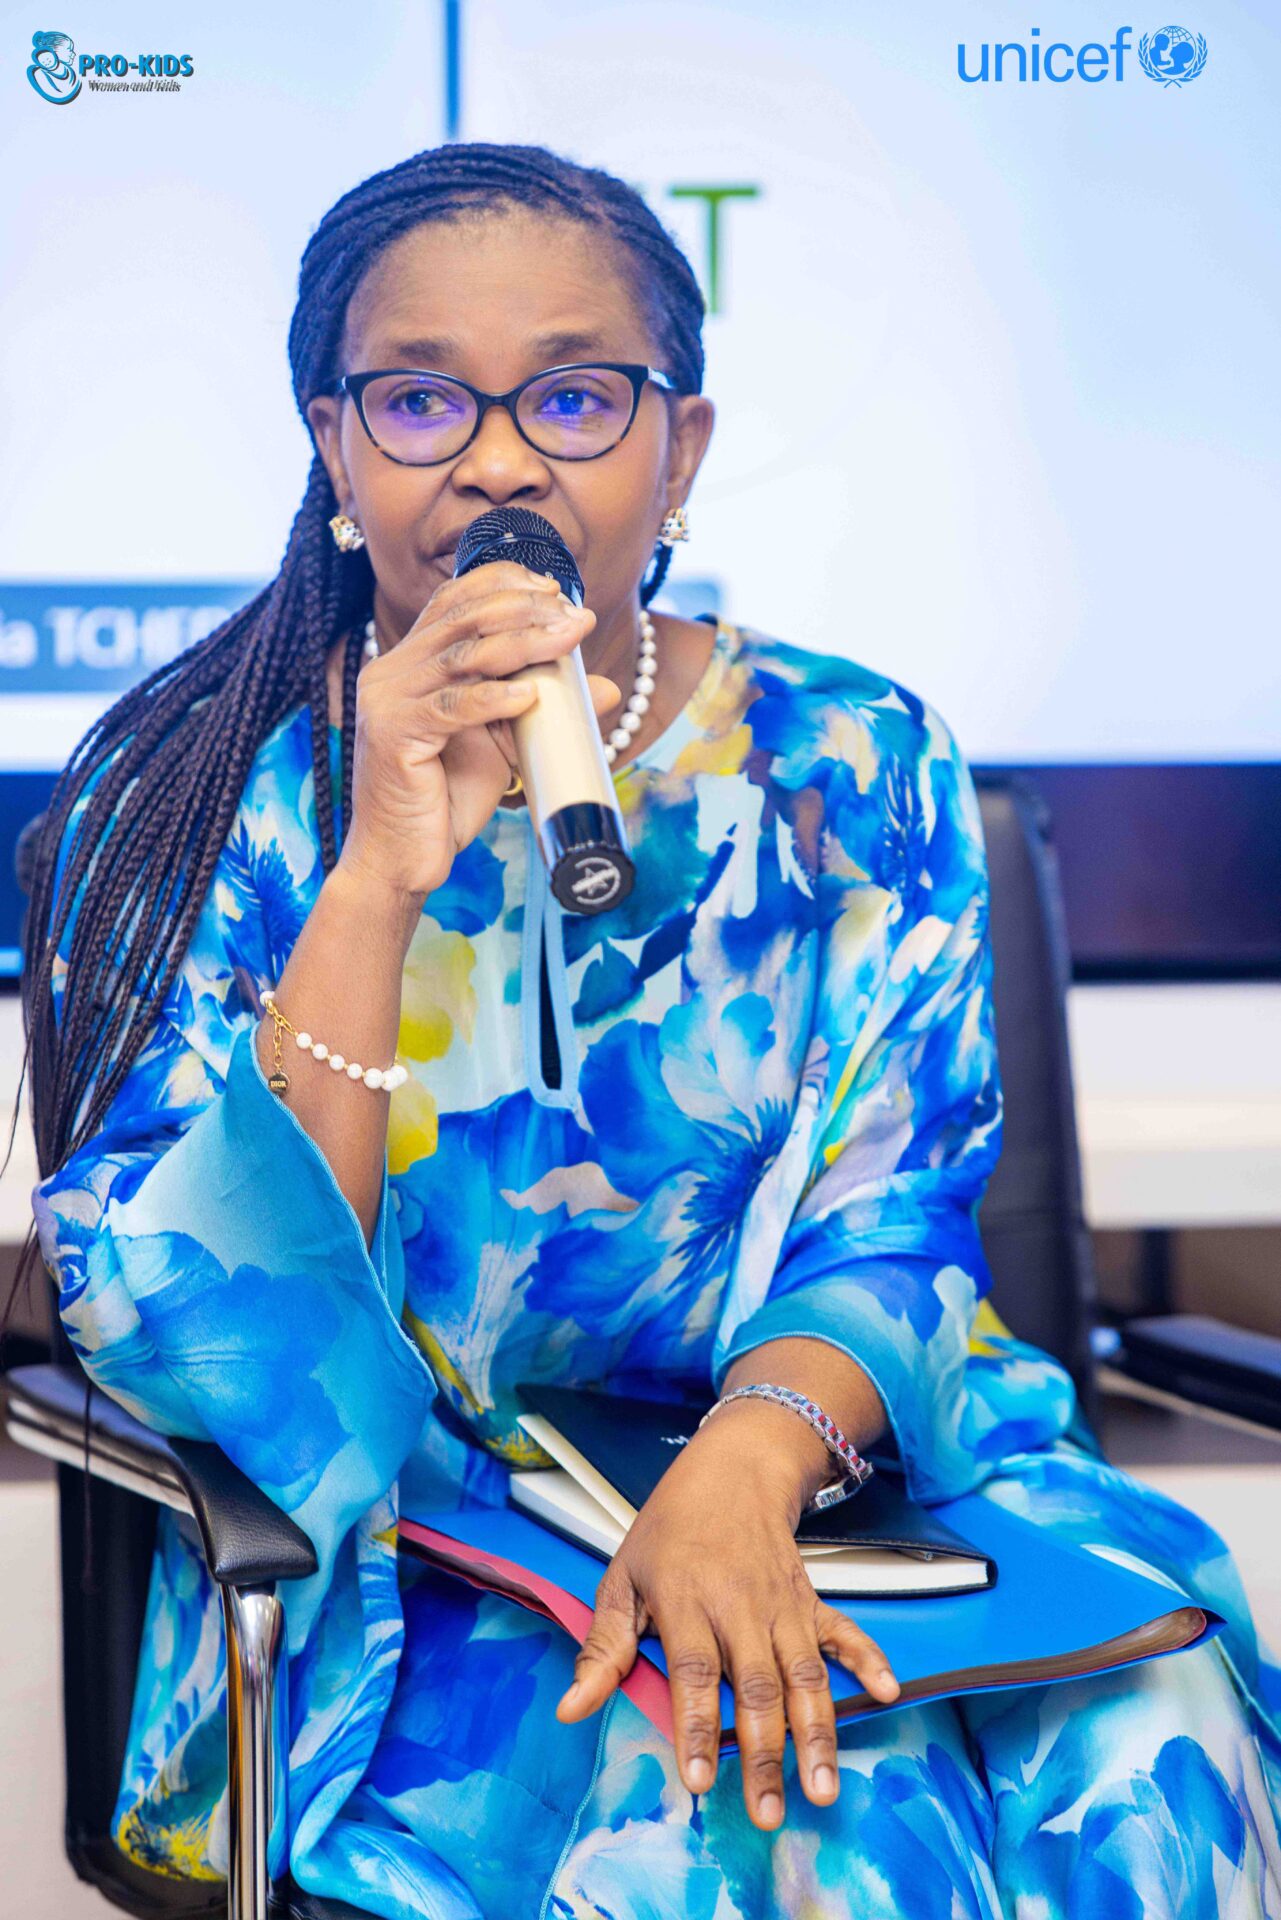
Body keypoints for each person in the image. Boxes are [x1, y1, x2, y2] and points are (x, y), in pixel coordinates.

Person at [17, 142, 1281, 1920]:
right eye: (420, 401)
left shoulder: (853, 759)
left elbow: (893, 1223)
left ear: (677, 449)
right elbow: (207, 1343)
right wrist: (376, 881)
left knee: (1147, 1742)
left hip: (842, 1479)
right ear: (334, 449)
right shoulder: (179, 800)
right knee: (802, 1811)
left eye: (574, 398)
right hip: (421, 1548)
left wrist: (741, 1475)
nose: (499, 461)